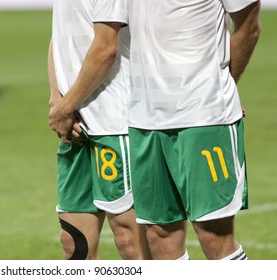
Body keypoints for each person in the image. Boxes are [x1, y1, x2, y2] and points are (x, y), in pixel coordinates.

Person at [123, 0, 261, 259]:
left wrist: (222, 86)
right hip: (144, 119)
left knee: (213, 235)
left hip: (203, 117)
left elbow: (249, 25)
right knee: (160, 235)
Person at [48, 0, 151, 260]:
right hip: (74, 124)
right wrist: (56, 98)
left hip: (115, 123)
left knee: (131, 242)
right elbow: (59, 36)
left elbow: (106, 48)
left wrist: (65, 107)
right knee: (75, 244)